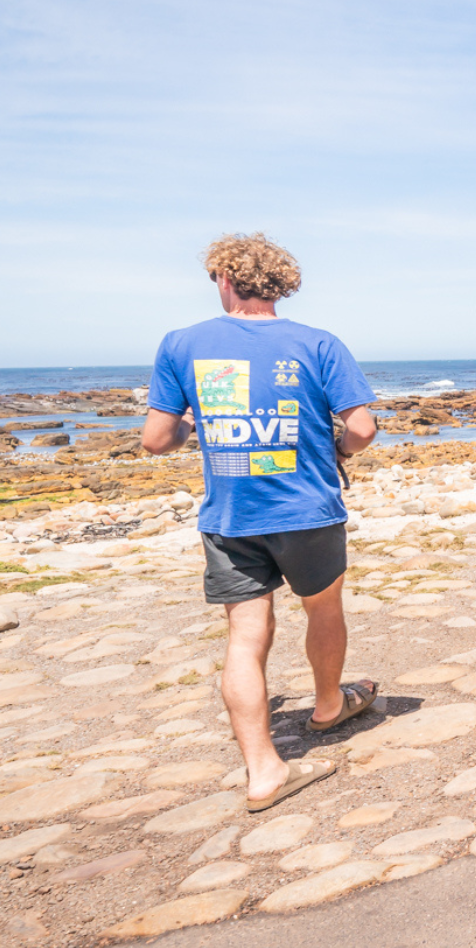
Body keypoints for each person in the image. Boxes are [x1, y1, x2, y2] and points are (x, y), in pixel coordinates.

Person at [142, 234, 380, 812]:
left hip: (231, 515)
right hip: (307, 510)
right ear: (279, 284)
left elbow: (156, 439)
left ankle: (263, 771)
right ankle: (329, 705)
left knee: (245, 638)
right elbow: (363, 428)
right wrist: (338, 452)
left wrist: (190, 427)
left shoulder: (181, 343)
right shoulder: (318, 343)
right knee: (323, 608)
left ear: (224, 279)